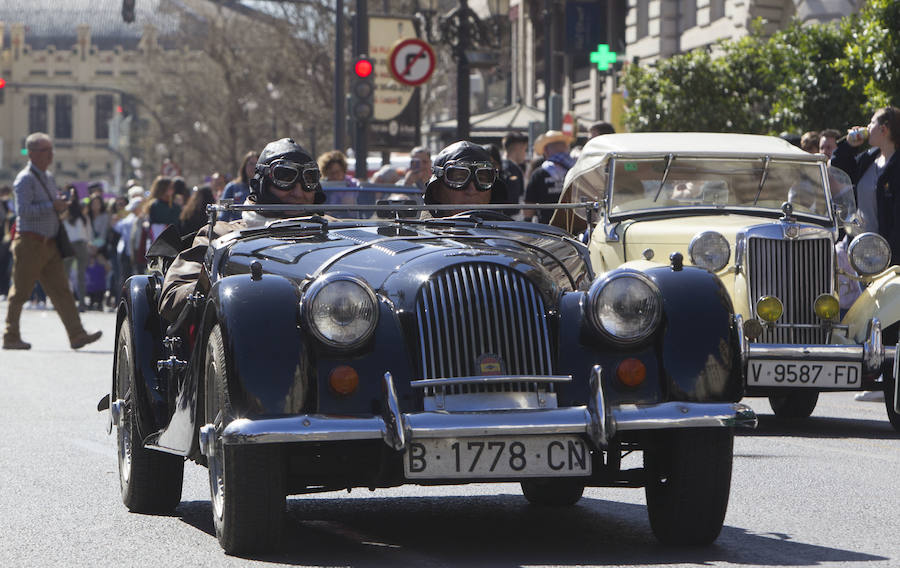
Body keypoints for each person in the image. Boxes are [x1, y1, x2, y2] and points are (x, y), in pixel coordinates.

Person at [159, 138, 325, 322]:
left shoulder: (337, 232)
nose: (299, 192)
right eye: (285, 177)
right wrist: (210, 283)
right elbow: (171, 298)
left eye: (309, 179)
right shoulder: (221, 234)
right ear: (262, 183)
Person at [3, 132, 102, 350]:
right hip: (30, 243)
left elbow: (51, 207)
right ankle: (10, 336)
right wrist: (53, 206)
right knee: (20, 292)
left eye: (51, 150)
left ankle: (77, 335)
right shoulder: (24, 179)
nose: (51, 155)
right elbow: (24, 212)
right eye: (45, 150)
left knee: (62, 291)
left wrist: (62, 206)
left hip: (49, 244)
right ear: (31, 154)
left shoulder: (47, 177)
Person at [832, 107, 900, 404]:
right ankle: (877, 374)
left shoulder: (897, 165)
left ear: (885, 128)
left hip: (889, 253)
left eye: (872, 122)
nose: (866, 126)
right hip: (865, 255)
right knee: (872, 312)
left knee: (891, 313)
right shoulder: (871, 159)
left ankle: (888, 377)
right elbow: (839, 167)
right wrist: (848, 143)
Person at [424, 141, 507, 217]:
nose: (472, 191)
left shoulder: (508, 232)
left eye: (482, 179)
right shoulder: (418, 232)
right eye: (459, 179)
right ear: (436, 191)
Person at [524, 130, 575, 223]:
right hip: (572, 225)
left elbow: (529, 205)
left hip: (547, 227)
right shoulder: (576, 170)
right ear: (566, 147)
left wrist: (527, 222)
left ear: (546, 151)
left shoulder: (539, 174)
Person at [61, 187, 91, 311]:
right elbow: (89, 235)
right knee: (81, 276)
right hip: (81, 245)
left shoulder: (64, 218)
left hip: (69, 245)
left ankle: (66, 302)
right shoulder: (83, 218)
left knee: (65, 275)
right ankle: (82, 302)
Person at [219, 151, 258, 221]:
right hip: (237, 227)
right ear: (244, 166)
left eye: (256, 164)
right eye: (251, 164)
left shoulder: (265, 188)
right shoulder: (231, 188)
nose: (253, 167)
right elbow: (223, 214)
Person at [144, 175, 180, 241]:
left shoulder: (174, 204)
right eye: (170, 187)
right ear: (163, 188)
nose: (173, 190)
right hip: (159, 239)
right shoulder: (155, 205)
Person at [500, 132, 528, 208]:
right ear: (518, 147)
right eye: (525, 149)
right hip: (511, 217)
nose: (525, 153)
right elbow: (513, 200)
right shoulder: (512, 169)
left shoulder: (499, 166)